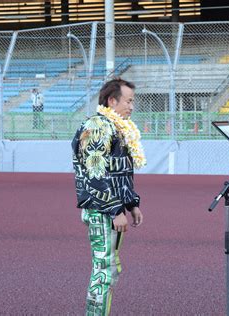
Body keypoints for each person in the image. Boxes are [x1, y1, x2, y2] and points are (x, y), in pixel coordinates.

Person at [72, 78, 146, 316]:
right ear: (112, 101)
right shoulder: (97, 126)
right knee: (103, 270)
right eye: (128, 101)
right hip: (101, 210)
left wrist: (132, 203)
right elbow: (94, 173)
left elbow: (119, 172)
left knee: (110, 268)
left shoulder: (118, 127)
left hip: (113, 210)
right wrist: (115, 209)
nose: (131, 106)